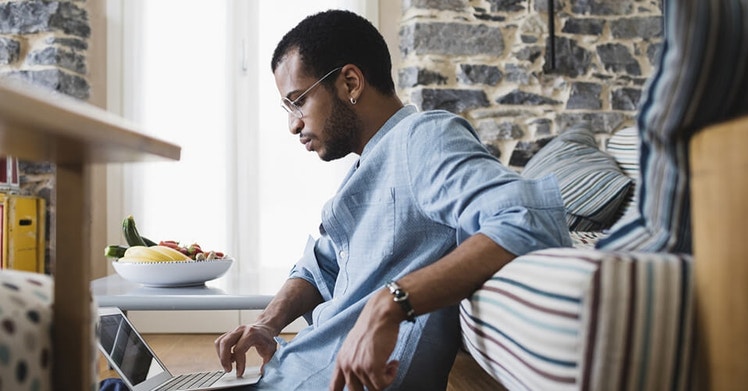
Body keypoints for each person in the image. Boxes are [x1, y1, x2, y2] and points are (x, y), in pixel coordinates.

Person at [214, 9, 571, 391]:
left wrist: (392, 301)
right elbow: (319, 265)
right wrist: (266, 323)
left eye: (298, 100)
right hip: (290, 369)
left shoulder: (425, 137)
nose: (294, 124)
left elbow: (529, 217)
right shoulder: (368, 165)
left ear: (350, 82)